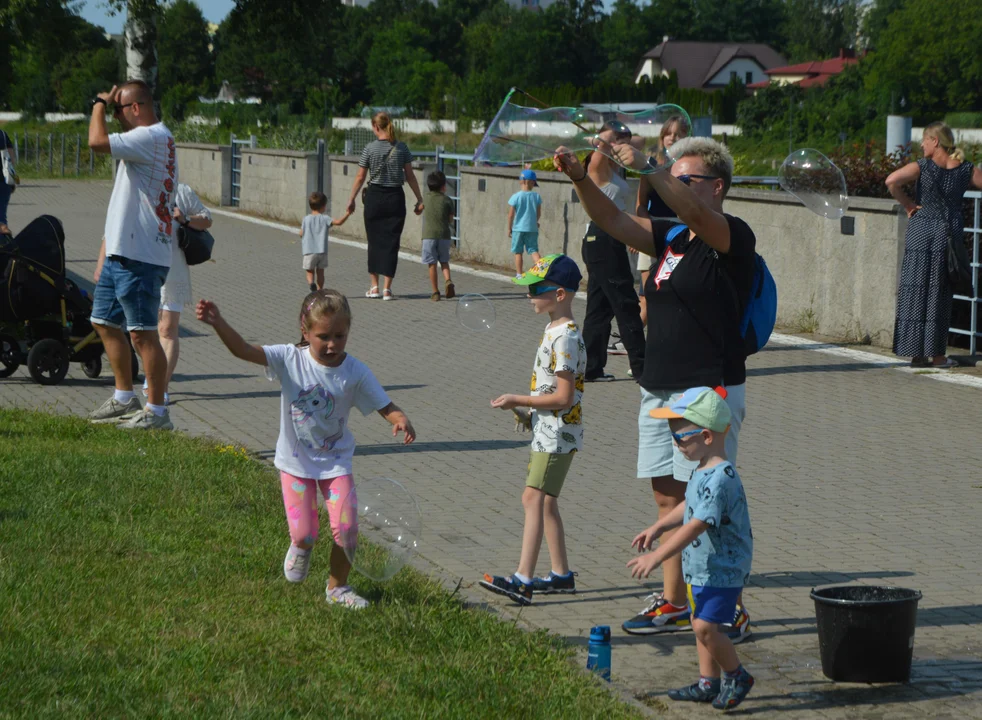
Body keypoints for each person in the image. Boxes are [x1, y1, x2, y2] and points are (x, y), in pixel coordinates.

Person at [553, 137, 755, 643]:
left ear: (718, 187)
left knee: (706, 503)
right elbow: (613, 222)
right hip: (660, 387)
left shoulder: (729, 236)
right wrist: (582, 178)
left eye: (685, 179)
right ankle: (674, 602)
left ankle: (728, 607)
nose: (673, 186)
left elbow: (698, 215)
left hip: (706, 389)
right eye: (672, 177)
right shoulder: (672, 237)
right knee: (668, 500)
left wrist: (651, 165)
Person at [195, 289, 417, 609]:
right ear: (305, 331)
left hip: (336, 463)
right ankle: (301, 546)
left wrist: (399, 418)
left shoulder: (354, 371)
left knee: (348, 528)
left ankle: (337, 588)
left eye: (340, 336)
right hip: (295, 463)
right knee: (304, 534)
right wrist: (218, 324)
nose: (332, 344)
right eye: (323, 336)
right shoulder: (289, 358)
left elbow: (385, 404)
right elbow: (243, 349)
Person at [628, 386, 754, 710]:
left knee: (704, 626)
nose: (676, 444)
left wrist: (658, 556)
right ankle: (707, 682)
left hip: (722, 568)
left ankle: (736, 675)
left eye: (680, 438)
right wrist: (658, 527)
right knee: (701, 621)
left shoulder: (721, 478)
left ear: (707, 437)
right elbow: (688, 505)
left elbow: (698, 522)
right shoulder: (702, 470)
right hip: (701, 565)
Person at [480, 254, 585, 605]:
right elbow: (552, 393)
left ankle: (522, 580)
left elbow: (565, 396)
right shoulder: (554, 328)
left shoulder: (566, 337)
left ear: (560, 294)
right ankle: (561, 576)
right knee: (547, 502)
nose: (529, 295)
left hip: (557, 434)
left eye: (536, 289)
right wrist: (528, 414)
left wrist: (519, 400)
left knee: (533, 498)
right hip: (549, 429)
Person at [87, 80, 177, 431]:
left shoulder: (150, 136)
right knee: (103, 321)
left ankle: (157, 412)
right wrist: (104, 249)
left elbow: (96, 142)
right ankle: (125, 397)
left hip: (140, 255)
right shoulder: (150, 139)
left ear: (135, 108)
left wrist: (97, 103)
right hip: (123, 251)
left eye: (117, 110)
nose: (113, 117)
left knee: (142, 334)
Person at [886, 121, 982, 368]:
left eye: (925, 140)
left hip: (920, 231)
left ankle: (917, 354)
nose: (922, 144)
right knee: (939, 295)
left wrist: (909, 205)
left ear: (935, 141)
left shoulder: (922, 167)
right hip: (947, 235)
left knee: (915, 290)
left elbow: (891, 181)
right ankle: (938, 356)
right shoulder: (966, 169)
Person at [580, 122, 645, 383]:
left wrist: (620, 142)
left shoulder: (615, 168)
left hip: (608, 238)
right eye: (619, 139)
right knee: (626, 305)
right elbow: (604, 141)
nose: (625, 144)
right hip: (603, 239)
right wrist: (603, 138)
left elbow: (639, 141)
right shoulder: (597, 168)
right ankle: (643, 369)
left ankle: (591, 368)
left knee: (598, 309)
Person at [142, 182, 212, 406]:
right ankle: (152, 374)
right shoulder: (140, 186)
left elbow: (207, 219)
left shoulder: (181, 190)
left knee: (168, 330)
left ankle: (161, 386)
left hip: (173, 271)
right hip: (143, 267)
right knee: (145, 329)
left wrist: (186, 219)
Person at [345, 112, 424, 301]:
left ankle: (374, 287)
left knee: (374, 242)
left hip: (374, 198)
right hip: (395, 197)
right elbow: (410, 176)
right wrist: (419, 198)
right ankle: (387, 289)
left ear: (376, 127)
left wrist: (352, 198)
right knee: (391, 243)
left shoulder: (369, 149)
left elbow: (360, 176)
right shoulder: (402, 147)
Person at [636, 115, 690, 327]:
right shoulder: (650, 164)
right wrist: (640, 230)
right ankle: (633, 340)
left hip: (679, 230)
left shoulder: (688, 167)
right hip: (653, 228)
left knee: (671, 291)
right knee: (647, 294)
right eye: (668, 133)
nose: (672, 137)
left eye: (678, 134)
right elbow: (640, 203)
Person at [299, 191, 351, 292]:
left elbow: (301, 233)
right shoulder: (325, 218)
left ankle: (311, 284)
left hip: (309, 251)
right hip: (322, 251)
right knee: (320, 272)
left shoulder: (306, 219)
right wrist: (348, 213)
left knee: (310, 271)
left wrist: (302, 235)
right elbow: (339, 222)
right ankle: (320, 290)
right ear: (323, 206)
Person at [420, 170, 456, 301]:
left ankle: (435, 292)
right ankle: (448, 280)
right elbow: (451, 220)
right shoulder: (448, 200)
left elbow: (419, 209)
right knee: (444, 261)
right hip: (444, 236)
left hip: (428, 236)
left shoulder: (426, 197)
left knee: (432, 264)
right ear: (443, 186)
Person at [508, 169, 543, 277]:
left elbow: (511, 215)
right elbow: (538, 213)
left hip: (518, 229)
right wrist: (535, 222)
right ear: (532, 182)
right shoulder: (536, 197)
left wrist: (509, 228)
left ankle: (519, 274)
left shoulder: (516, 196)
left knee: (518, 252)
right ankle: (541, 270)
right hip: (532, 229)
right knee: (533, 250)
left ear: (521, 181)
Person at [0, 128, 18, 237]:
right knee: (2, 216)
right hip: (5, 181)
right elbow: (12, 161)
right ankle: (4, 246)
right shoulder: (2, 134)